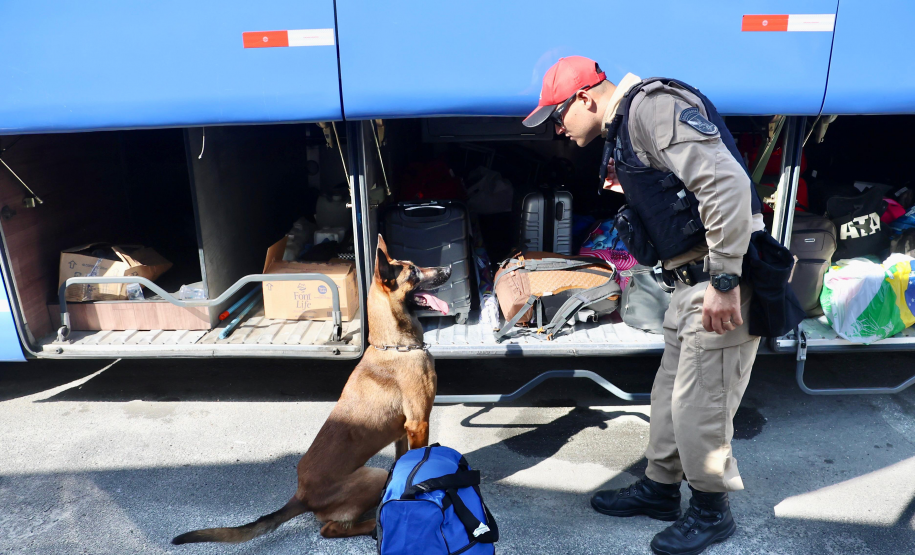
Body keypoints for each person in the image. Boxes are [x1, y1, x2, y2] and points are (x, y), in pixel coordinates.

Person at [523, 56, 763, 555]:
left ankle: (710, 512)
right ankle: (660, 490)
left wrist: (724, 279)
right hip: (687, 283)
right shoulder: (629, 124)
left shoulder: (655, 109)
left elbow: (726, 186)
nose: (557, 130)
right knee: (670, 399)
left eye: (557, 116)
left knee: (703, 408)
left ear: (585, 97)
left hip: (716, 282)